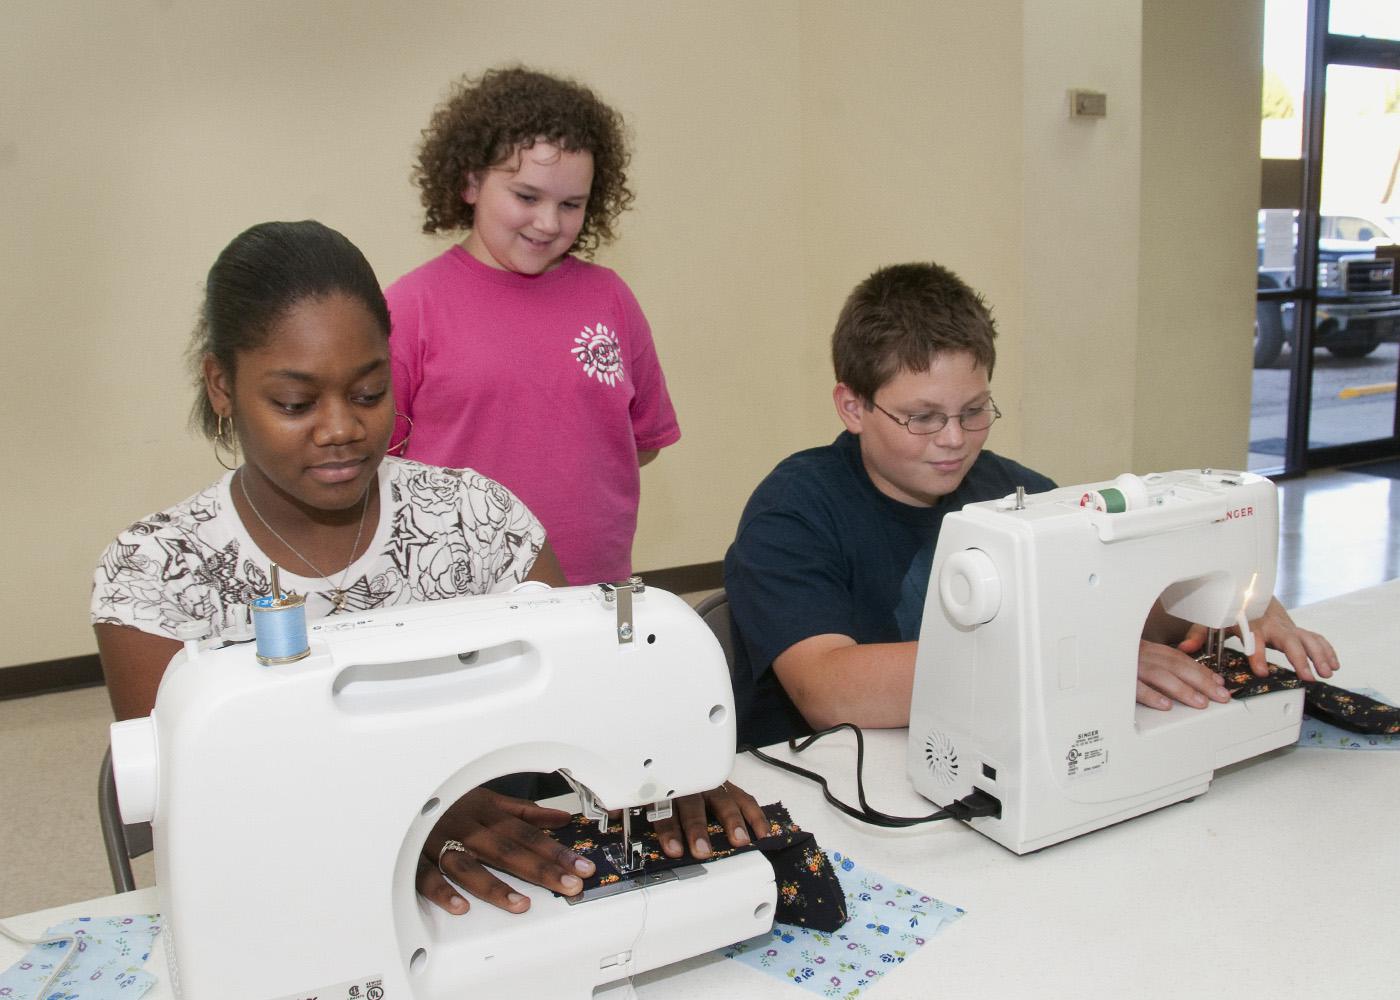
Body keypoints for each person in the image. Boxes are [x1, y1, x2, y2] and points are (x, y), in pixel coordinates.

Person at [91, 220, 764, 916]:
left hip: (494, 887)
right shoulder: (154, 578)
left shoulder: (480, 521)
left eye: (369, 393)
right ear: (222, 386)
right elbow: (207, 804)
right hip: (286, 903)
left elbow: (589, 695)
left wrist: (673, 762)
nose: (340, 429)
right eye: (295, 403)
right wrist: (416, 813)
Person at [724, 261, 1340, 748]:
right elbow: (832, 691)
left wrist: (1221, 598)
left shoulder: (1015, 492)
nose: (954, 439)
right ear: (852, 407)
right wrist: (1070, 663)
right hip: (836, 783)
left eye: (973, 411)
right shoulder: (794, 512)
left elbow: (1115, 602)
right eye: (922, 417)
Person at [387, 66, 679, 587]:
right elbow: (378, 465)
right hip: (456, 600)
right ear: (472, 181)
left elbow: (642, 439)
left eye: (571, 205)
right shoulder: (411, 306)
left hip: (594, 594)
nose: (549, 223)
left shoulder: (609, 297)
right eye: (527, 197)